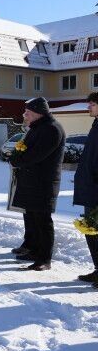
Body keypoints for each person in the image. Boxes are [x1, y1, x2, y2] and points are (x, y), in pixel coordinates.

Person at [9, 97, 65, 271]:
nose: (24, 114)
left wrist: (17, 160)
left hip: (43, 182)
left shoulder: (51, 129)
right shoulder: (37, 128)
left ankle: (44, 259)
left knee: (43, 221)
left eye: (28, 112)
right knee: (32, 217)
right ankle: (33, 250)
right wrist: (16, 158)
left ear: (38, 113)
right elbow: (23, 150)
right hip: (32, 181)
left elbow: (36, 155)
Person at [74, 93, 98, 286]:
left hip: (95, 189)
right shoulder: (95, 125)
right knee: (91, 231)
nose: (88, 107)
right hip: (90, 188)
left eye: (92, 104)